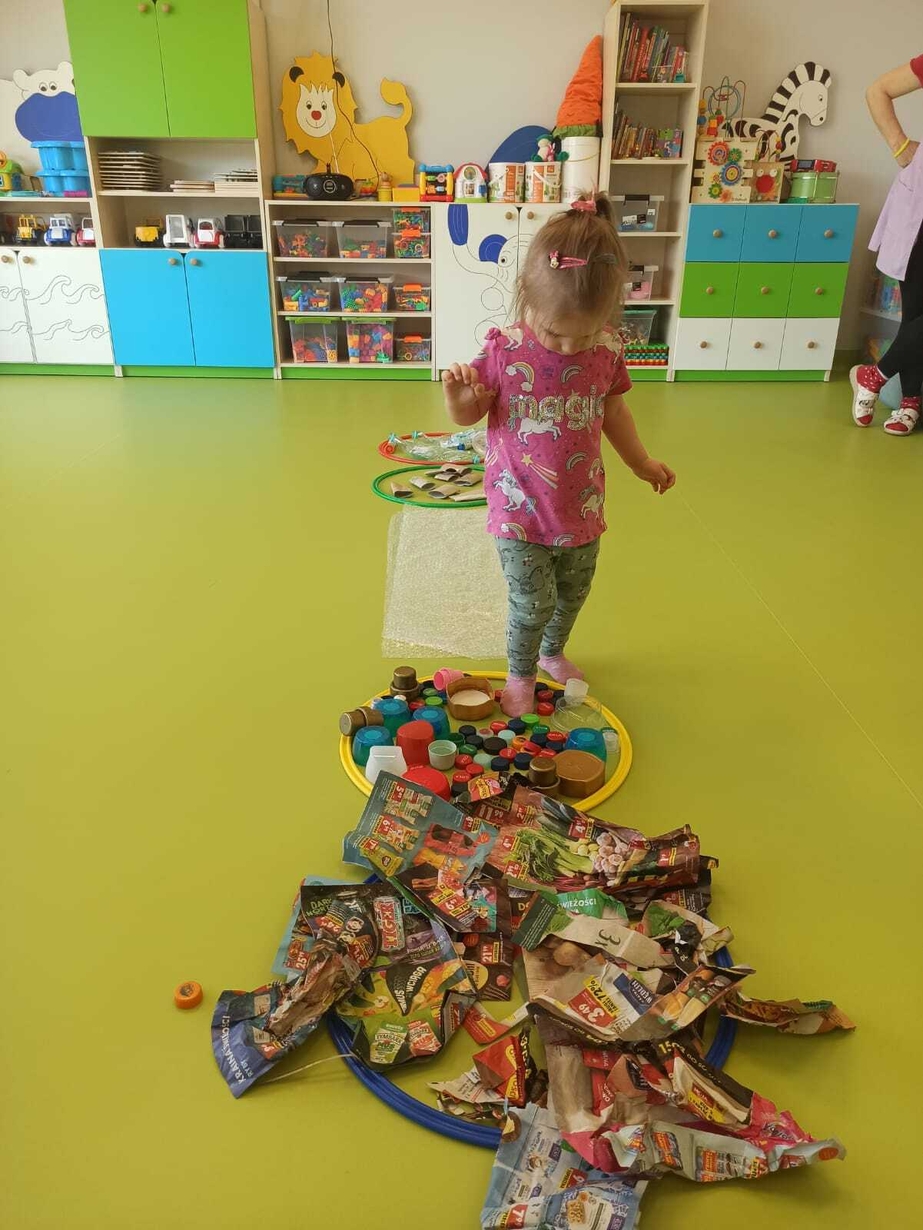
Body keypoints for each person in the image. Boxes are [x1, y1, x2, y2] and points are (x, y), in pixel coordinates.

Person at [442, 195, 675, 717]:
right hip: (518, 508)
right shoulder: (505, 349)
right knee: (533, 602)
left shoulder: (608, 349)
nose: (570, 348)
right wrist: (458, 398)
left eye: (584, 335)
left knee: (572, 593)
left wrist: (640, 462)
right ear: (526, 296)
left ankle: (552, 652)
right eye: (555, 333)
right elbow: (469, 415)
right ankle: (520, 673)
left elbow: (614, 411)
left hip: (581, 505)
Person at [852, 55, 923, 434]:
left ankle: (874, 376)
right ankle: (910, 402)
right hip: (920, 209)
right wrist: (899, 145)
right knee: (915, 313)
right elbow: (877, 90)